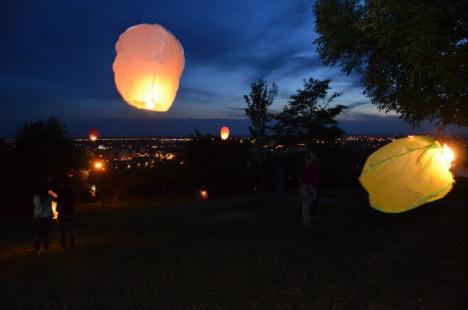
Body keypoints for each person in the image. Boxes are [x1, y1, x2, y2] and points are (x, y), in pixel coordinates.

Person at [298, 152, 320, 229]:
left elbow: (310, 179)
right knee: (306, 208)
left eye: (307, 160)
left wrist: (305, 185)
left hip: (310, 189)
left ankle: (308, 225)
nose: (305, 161)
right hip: (309, 188)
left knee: (306, 208)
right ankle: (308, 225)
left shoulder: (312, 168)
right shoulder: (308, 168)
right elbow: (300, 178)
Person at [33, 181, 53, 255]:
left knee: (38, 234)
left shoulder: (35, 197)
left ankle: (37, 250)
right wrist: (50, 191)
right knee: (46, 235)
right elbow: (56, 196)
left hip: (38, 218)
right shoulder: (49, 196)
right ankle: (46, 249)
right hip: (47, 217)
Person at [56, 177, 77, 250]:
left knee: (62, 230)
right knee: (71, 229)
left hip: (61, 212)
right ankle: (72, 245)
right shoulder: (72, 191)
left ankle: (64, 246)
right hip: (70, 211)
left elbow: (57, 199)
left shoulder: (60, 191)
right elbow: (75, 200)